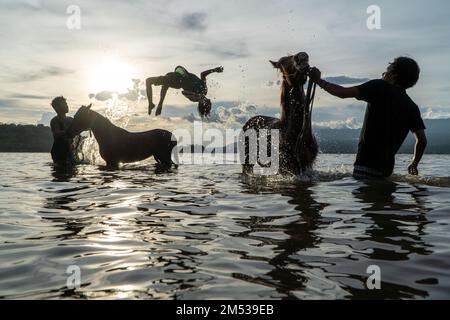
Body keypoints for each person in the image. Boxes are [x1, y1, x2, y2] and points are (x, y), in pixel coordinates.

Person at [309, 57, 427, 178]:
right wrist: (414, 163)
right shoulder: (412, 107)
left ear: (394, 73)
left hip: (365, 166)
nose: (384, 73)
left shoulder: (379, 86)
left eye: (388, 68)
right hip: (386, 171)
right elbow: (422, 141)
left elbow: (342, 93)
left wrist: (318, 81)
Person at [145, 65, 223, 117]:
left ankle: (153, 104)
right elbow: (203, 74)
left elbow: (184, 93)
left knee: (149, 81)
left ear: (203, 104)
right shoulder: (204, 90)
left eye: (209, 104)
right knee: (165, 84)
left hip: (178, 80)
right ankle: (158, 104)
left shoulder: (194, 98)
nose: (210, 102)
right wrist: (214, 70)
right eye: (210, 104)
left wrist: (195, 95)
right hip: (180, 74)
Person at [50, 96, 75, 165]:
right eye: (64, 104)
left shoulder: (71, 120)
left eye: (66, 104)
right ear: (58, 107)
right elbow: (56, 133)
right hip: (58, 152)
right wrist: (69, 131)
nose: (67, 106)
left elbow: (79, 127)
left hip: (70, 151)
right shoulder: (55, 120)